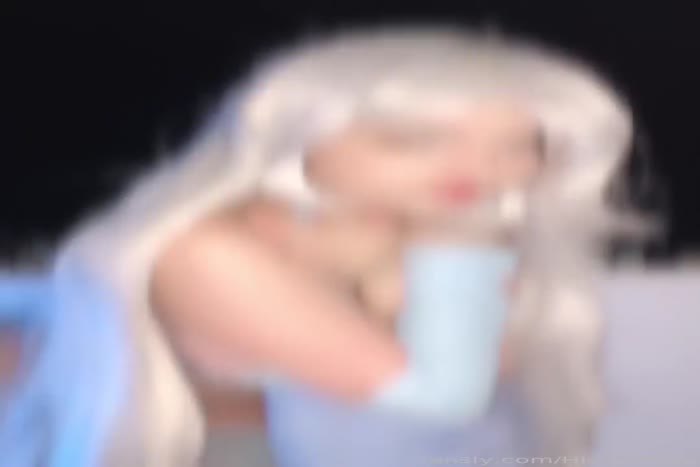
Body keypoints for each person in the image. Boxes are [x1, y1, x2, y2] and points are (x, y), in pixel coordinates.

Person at [0, 26, 640, 466]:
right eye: (410, 140)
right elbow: (442, 396)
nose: (476, 170)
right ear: (298, 137)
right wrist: (459, 243)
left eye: (518, 146)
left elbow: (485, 404)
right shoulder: (204, 253)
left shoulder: (390, 234)